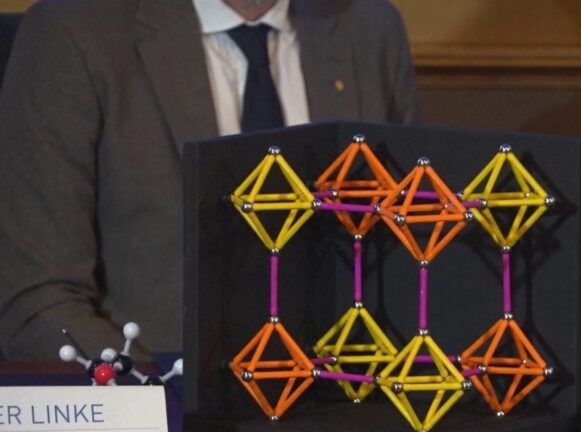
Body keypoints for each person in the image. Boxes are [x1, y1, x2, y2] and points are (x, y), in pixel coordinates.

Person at [0, 0, 419, 359]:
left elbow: (409, 262)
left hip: (345, 398)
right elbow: (38, 302)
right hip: (157, 399)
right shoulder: (75, 33)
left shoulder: (369, 29)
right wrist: (157, 400)